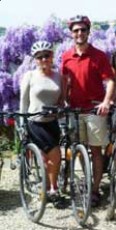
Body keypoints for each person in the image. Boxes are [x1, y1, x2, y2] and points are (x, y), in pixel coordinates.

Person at [61, 15, 115, 207]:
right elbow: (64, 82)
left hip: (94, 110)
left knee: (96, 151)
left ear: (88, 31)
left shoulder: (99, 55)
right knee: (80, 149)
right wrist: (63, 102)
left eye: (83, 30)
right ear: (71, 33)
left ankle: (95, 189)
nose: (80, 33)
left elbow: (109, 81)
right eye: (76, 30)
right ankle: (88, 179)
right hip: (75, 111)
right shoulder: (66, 56)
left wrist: (106, 102)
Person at [20, 40, 64, 207]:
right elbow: (23, 101)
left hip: (52, 122)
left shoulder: (59, 76)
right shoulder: (29, 76)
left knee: (55, 157)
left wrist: (61, 109)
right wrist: (22, 124)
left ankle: (53, 188)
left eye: (46, 55)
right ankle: (46, 189)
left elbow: (61, 100)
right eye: (39, 57)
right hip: (35, 122)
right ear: (35, 59)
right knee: (45, 159)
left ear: (52, 57)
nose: (43, 59)